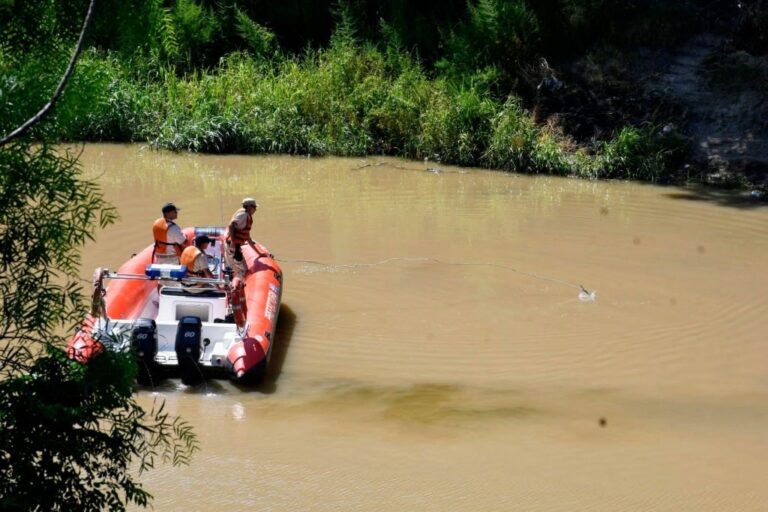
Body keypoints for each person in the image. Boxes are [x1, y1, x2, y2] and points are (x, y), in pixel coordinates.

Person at [225, 197, 269, 276]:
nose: (255, 210)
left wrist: (259, 253)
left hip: (232, 245)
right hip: (234, 247)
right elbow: (231, 225)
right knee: (244, 270)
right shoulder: (244, 215)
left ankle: (232, 279)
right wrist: (234, 241)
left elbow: (247, 237)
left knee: (233, 267)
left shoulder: (244, 214)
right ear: (249, 207)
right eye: (254, 207)